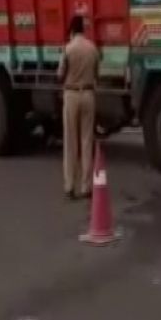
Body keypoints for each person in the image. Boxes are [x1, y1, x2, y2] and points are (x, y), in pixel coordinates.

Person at [57, 15, 100, 201]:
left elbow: (60, 74)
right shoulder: (92, 49)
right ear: (84, 29)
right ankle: (86, 186)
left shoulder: (68, 49)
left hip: (72, 95)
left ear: (72, 30)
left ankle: (69, 186)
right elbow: (97, 73)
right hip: (89, 95)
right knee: (86, 141)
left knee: (70, 142)